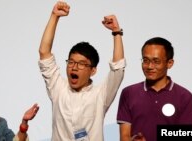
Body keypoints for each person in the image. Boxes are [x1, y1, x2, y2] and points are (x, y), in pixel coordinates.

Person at [38, 1, 126, 141]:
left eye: (81, 64)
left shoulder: (101, 95)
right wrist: (54, 16)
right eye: (71, 62)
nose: (74, 67)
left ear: (93, 70)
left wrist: (116, 32)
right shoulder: (58, 89)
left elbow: (118, 68)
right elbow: (44, 53)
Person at [117, 37, 192, 141]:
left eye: (156, 61)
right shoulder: (128, 93)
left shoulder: (185, 97)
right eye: (145, 60)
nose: (149, 66)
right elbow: (124, 137)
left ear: (169, 63)